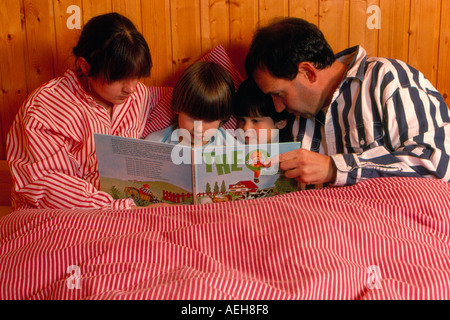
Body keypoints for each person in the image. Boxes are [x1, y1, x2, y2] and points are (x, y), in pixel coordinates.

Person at [244, 17, 450, 188]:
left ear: (307, 73)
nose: (278, 107)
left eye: (279, 94)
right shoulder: (299, 117)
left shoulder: (386, 79)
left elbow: (437, 163)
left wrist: (334, 168)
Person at [7, 12, 158, 210]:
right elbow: (48, 187)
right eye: (119, 78)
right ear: (85, 67)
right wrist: (121, 207)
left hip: (129, 208)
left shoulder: (138, 96)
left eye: (137, 75)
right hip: (59, 215)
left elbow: (184, 99)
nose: (130, 88)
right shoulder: (45, 109)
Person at [145, 61, 236, 147]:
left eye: (209, 120)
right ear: (178, 107)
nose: (198, 129)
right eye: (192, 117)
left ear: (221, 118)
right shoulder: (154, 144)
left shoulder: (233, 149)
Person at [234, 78, 294, 144]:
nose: (246, 128)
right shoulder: (233, 150)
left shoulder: (294, 151)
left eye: (255, 121)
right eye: (242, 120)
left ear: (280, 122)